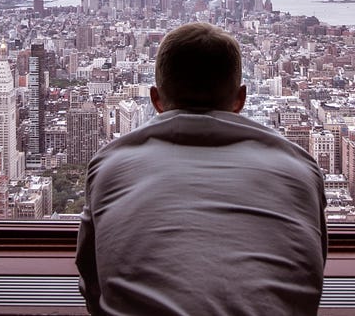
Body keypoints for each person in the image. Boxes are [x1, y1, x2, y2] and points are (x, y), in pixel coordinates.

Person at [75, 22, 328, 315]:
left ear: (156, 99)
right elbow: (311, 272)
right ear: (240, 99)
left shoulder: (110, 166)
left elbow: (91, 281)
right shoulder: (299, 169)